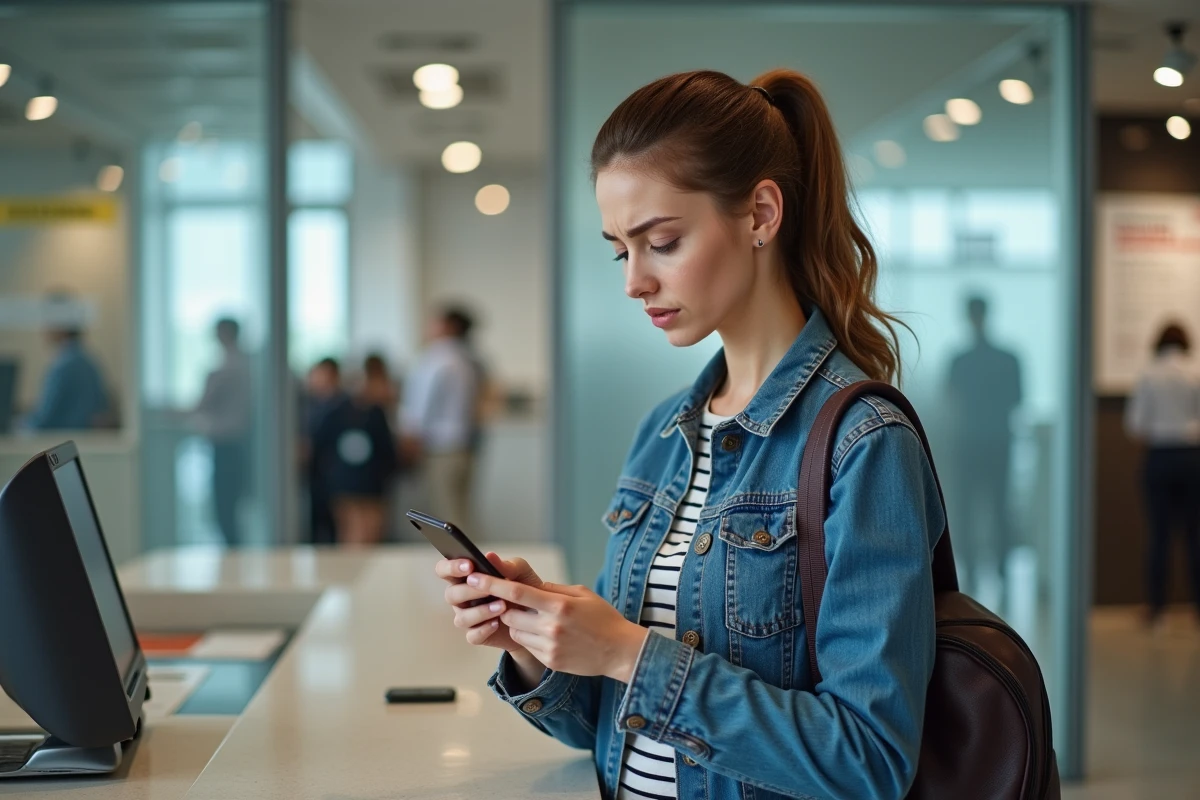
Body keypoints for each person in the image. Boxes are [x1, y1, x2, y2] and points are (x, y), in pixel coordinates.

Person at [434, 69, 944, 800]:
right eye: (620, 250)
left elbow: (868, 761)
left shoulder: (865, 443)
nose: (633, 281)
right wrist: (537, 645)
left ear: (761, 213)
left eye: (661, 241)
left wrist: (630, 654)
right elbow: (604, 725)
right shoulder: (665, 430)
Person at [944, 295, 1023, 601]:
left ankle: (973, 573)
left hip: (969, 440)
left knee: (967, 507)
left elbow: (951, 398)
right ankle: (1001, 573)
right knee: (1000, 507)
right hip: (999, 440)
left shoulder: (959, 361)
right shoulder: (1008, 358)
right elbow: (1018, 399)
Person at [1125, 322, 1200, 627]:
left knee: (1159, 535)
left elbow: (1135, 424)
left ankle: (1157, 611)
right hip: (1194, 458)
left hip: (1160, 457)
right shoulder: (1196, 372)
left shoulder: (1149, 374)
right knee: (1196, 537)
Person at [401, 306, 483, 530]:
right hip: (464, 446)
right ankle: (472, 562)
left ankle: (464, 564)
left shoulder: (436, 358)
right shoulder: (468, 359)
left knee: (447, 518)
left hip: (440, 448)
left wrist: (409, 439)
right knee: (460, 512)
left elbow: (420, 404)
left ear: (449, 326)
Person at [309, 359, 398, 547]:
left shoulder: (375, 414)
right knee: (351, 530)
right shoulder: (336, 413)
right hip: (346, 484)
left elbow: (387, 451)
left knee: (371, 532)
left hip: (370, 484)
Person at [191, 318, 253, 547]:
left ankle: (232, 554)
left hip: (226, 445)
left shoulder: (225, 369)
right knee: (235, 505)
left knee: (225, 508)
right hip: (241, 444)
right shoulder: (250, 364)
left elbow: (202, 405)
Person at [24, 296, 110, 431]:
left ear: (60, 325)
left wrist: (18, 427)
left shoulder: (63, 366)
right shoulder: (89, 361)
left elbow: (43, 421)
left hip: (61, 442)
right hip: (83, 442)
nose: (43, 328)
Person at [302, 358, 348, 545]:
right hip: (315, 474)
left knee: (333, 526)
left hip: (334, 476)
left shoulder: (343, 407)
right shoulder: (311, 405)